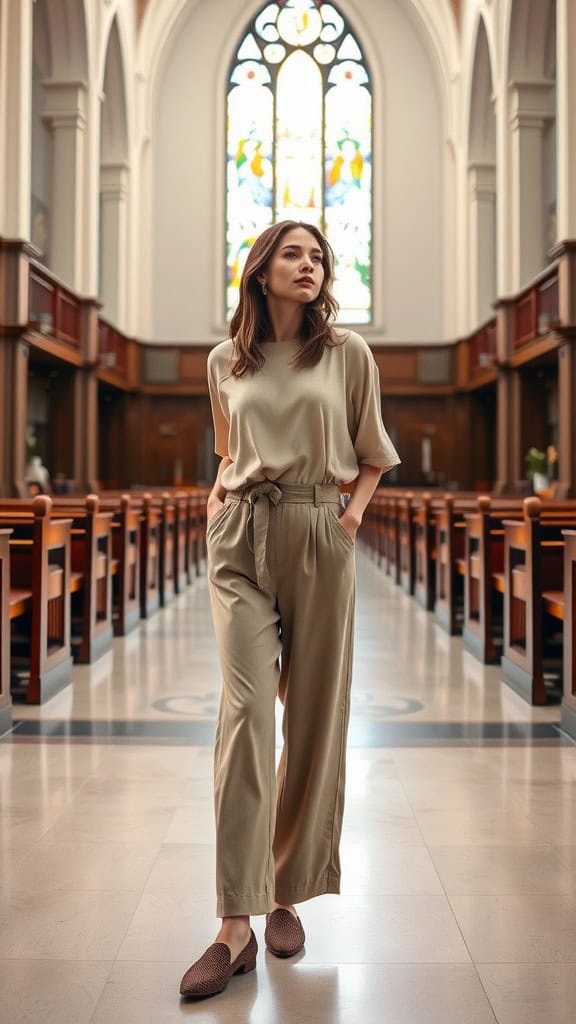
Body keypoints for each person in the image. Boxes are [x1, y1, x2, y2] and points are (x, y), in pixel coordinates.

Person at [180, 220, 400, 999]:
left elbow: (373, 453)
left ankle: (285, 894)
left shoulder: (347, 355)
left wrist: (346, 521)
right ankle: (234, 922)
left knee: (311, 716)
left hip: (317, 528)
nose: (309, 265)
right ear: (262, 268)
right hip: (239, 531)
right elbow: (225, 449)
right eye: (294, 253)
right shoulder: (223, 360)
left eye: (318, 257)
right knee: (245, 712)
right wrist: (216, 506)